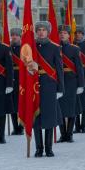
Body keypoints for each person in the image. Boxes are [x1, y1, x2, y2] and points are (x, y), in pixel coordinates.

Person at [33, 21, 64, 157]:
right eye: (39, 30)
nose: (41, 32)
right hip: (34, 85)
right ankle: (38, 148)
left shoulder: (55, 48)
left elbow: (59, 70)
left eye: (43, 30)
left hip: (49, 85)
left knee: (49, 117)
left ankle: (48, 148)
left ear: (48, 32)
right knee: (36, 117)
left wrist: (60, 89)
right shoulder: (31, 47)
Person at [57, 25, 84, 143]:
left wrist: (81, 84)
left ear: (69, 35)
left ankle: (70, 133)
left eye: (65, 33)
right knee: (60, 108)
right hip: (59, 81)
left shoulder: (75, 49)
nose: (62, 35)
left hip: (72, 81)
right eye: (61, 33)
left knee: (71, 108)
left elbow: (79, 68)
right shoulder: (55, 48)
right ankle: (63, 134)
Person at [10, 28, 24, 135]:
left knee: (22, 102)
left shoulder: (25, 48)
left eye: (16, 35)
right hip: (11, 77)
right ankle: (15, 126)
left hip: (22, 77)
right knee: (12, 103)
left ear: (20, 36)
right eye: (12, 35)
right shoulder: (8, 49)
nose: (14, 37)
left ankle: (22, 126)